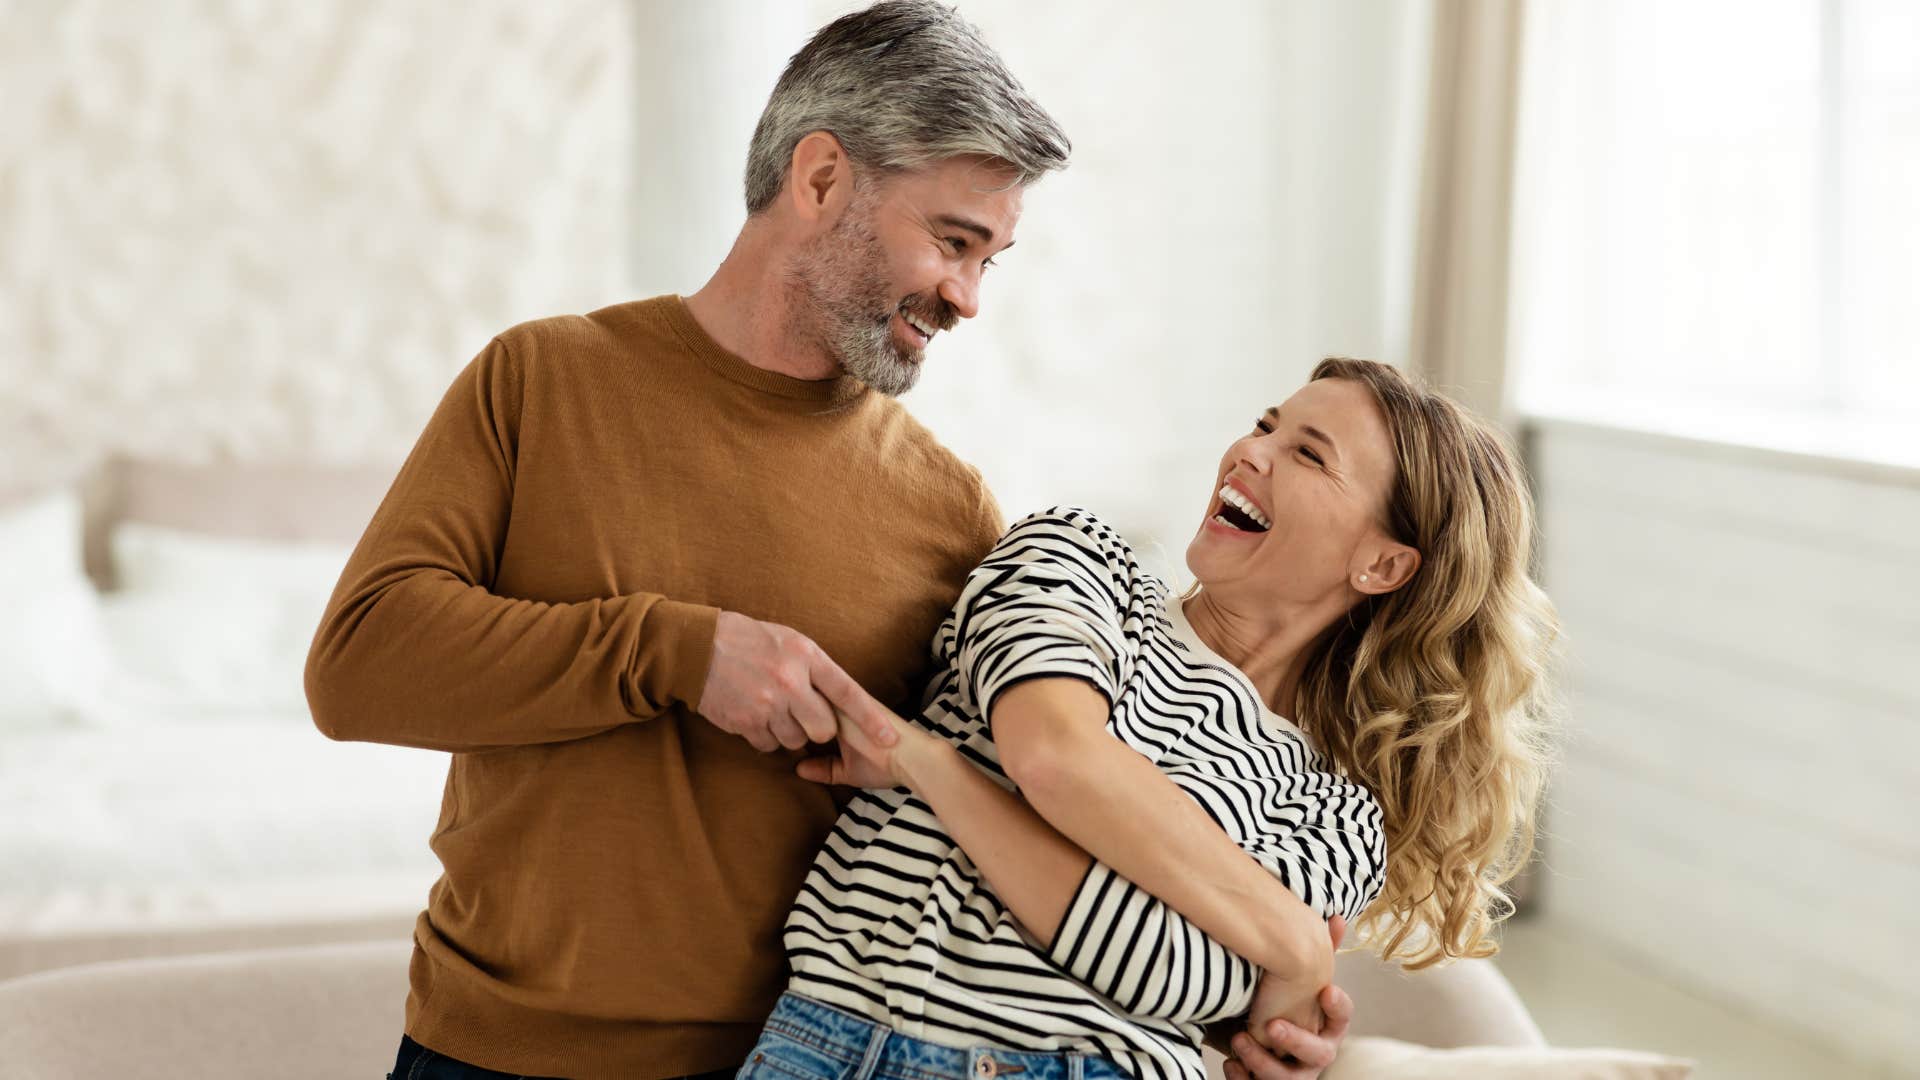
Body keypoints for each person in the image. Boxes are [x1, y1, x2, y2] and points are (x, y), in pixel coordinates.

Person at [306, 3, 1350, 1077]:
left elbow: (1005, 847)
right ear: (819, 181)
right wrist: (676, 653)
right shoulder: (543, 380)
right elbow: (357, 671)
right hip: (490, 1055)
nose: (969, 298)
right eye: (953, 243)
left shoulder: (952, 510)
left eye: (991, 260)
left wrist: (1235, 1024)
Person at [739, 359, 1559, 1080]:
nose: (1250, 451)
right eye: (1265, 426)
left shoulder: (1341, 821)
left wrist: (929, 766)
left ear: (1382, 563)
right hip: (833, 1043)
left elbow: (1174, 973)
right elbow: (1053, 753)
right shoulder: (1078, 561)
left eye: (1308, 454)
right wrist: (1291, 938)